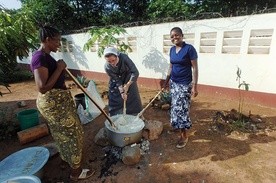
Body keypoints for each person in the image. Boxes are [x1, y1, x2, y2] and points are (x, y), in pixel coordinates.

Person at [30, 25, 94, 181]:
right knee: (73, 134)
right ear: (47, 40)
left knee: (62, 134)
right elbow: (42, 87)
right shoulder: (39, 57)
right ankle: (76, 173)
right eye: (57, 41)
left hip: (59, 103)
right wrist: (59, 69)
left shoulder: (46, 56)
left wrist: (58, 69)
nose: (59, 44)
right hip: (53, 104)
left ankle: (68, 160)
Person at [163, 27, 199, 149]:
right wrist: (166, 81)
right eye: (172, 36)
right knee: (175, 107)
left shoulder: (189, 49)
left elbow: (195, 68)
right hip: (174, 83)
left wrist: (195, 86)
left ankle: (184, 135)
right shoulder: (172, 50)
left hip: (185, 84)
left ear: (182, 35)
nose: (174, 38)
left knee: (182, 109)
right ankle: (178, 127)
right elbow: (171, 66)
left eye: (176, 35)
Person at [103, 47, 142, 117]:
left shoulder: (124, 57)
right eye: (109, 61)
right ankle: (116, 116)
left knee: (132, 95)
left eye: (113, 60)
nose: (112, 63)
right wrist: (122, 92)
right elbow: (116, 79)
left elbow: (135, 72)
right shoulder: (107, 67)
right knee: (116, 97)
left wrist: (127, 85)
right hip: (117, 80)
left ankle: (134, 115)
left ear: (117, 56)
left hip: (129, 78)